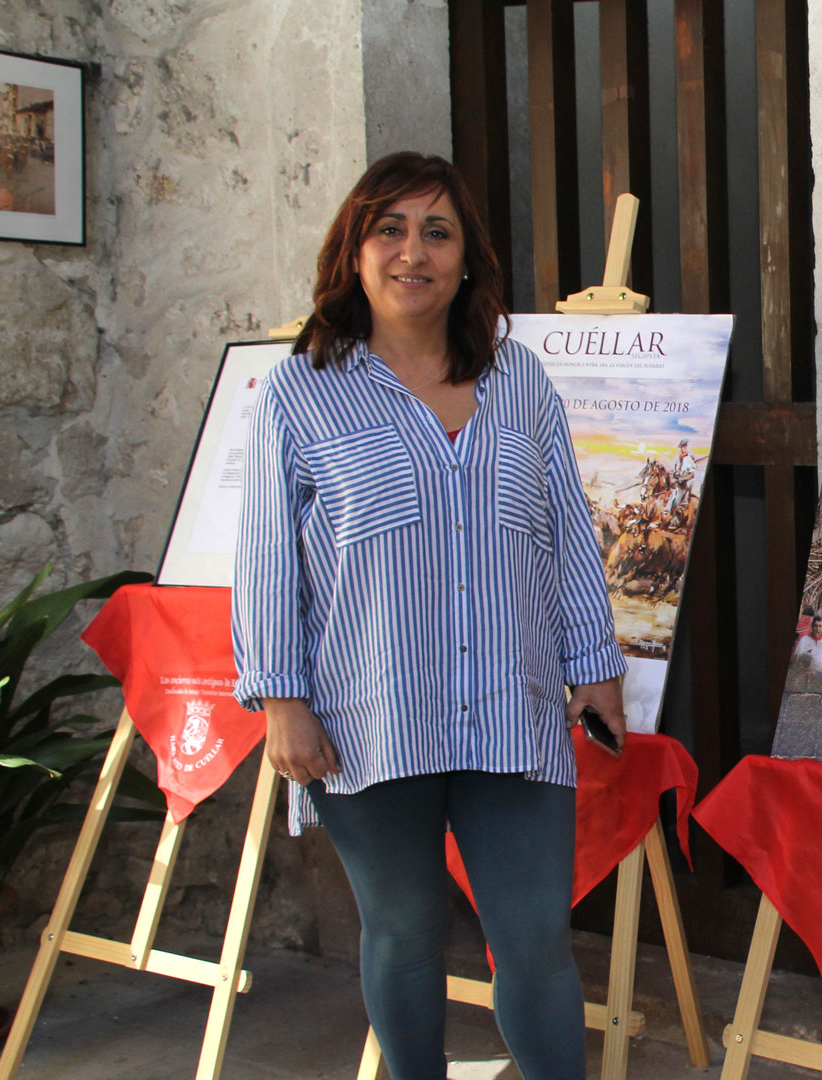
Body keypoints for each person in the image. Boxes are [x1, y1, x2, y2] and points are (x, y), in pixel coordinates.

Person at [232, 153, 625, 1080]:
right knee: (403, 933)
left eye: (437, 232)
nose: (415, 252)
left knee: (534, 941)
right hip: (370, 713)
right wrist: (279, 699)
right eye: (391, 230)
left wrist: (595, 661)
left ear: (465, 256)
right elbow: (266, 561)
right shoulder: (301, 392)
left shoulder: (520, 381)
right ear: (355, 252)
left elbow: (565, 529)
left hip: (511, 703)